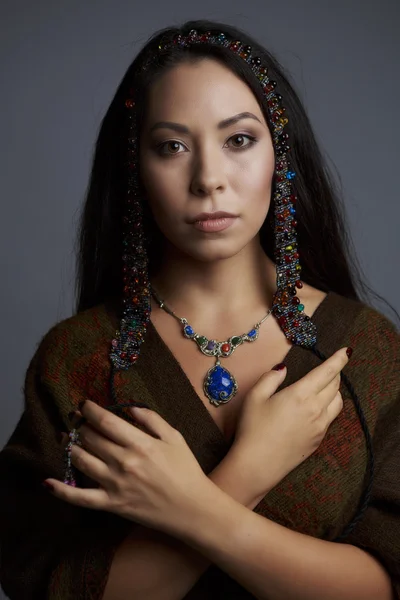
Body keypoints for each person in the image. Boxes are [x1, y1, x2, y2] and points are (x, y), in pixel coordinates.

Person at [0, 18, 399, 600]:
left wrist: (193, 507)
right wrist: (246, 474)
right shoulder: (77, 359)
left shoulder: (366, 352)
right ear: (136, 168)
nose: (209, 179)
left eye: (239, 140)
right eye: (172, 147)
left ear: (278, 155)